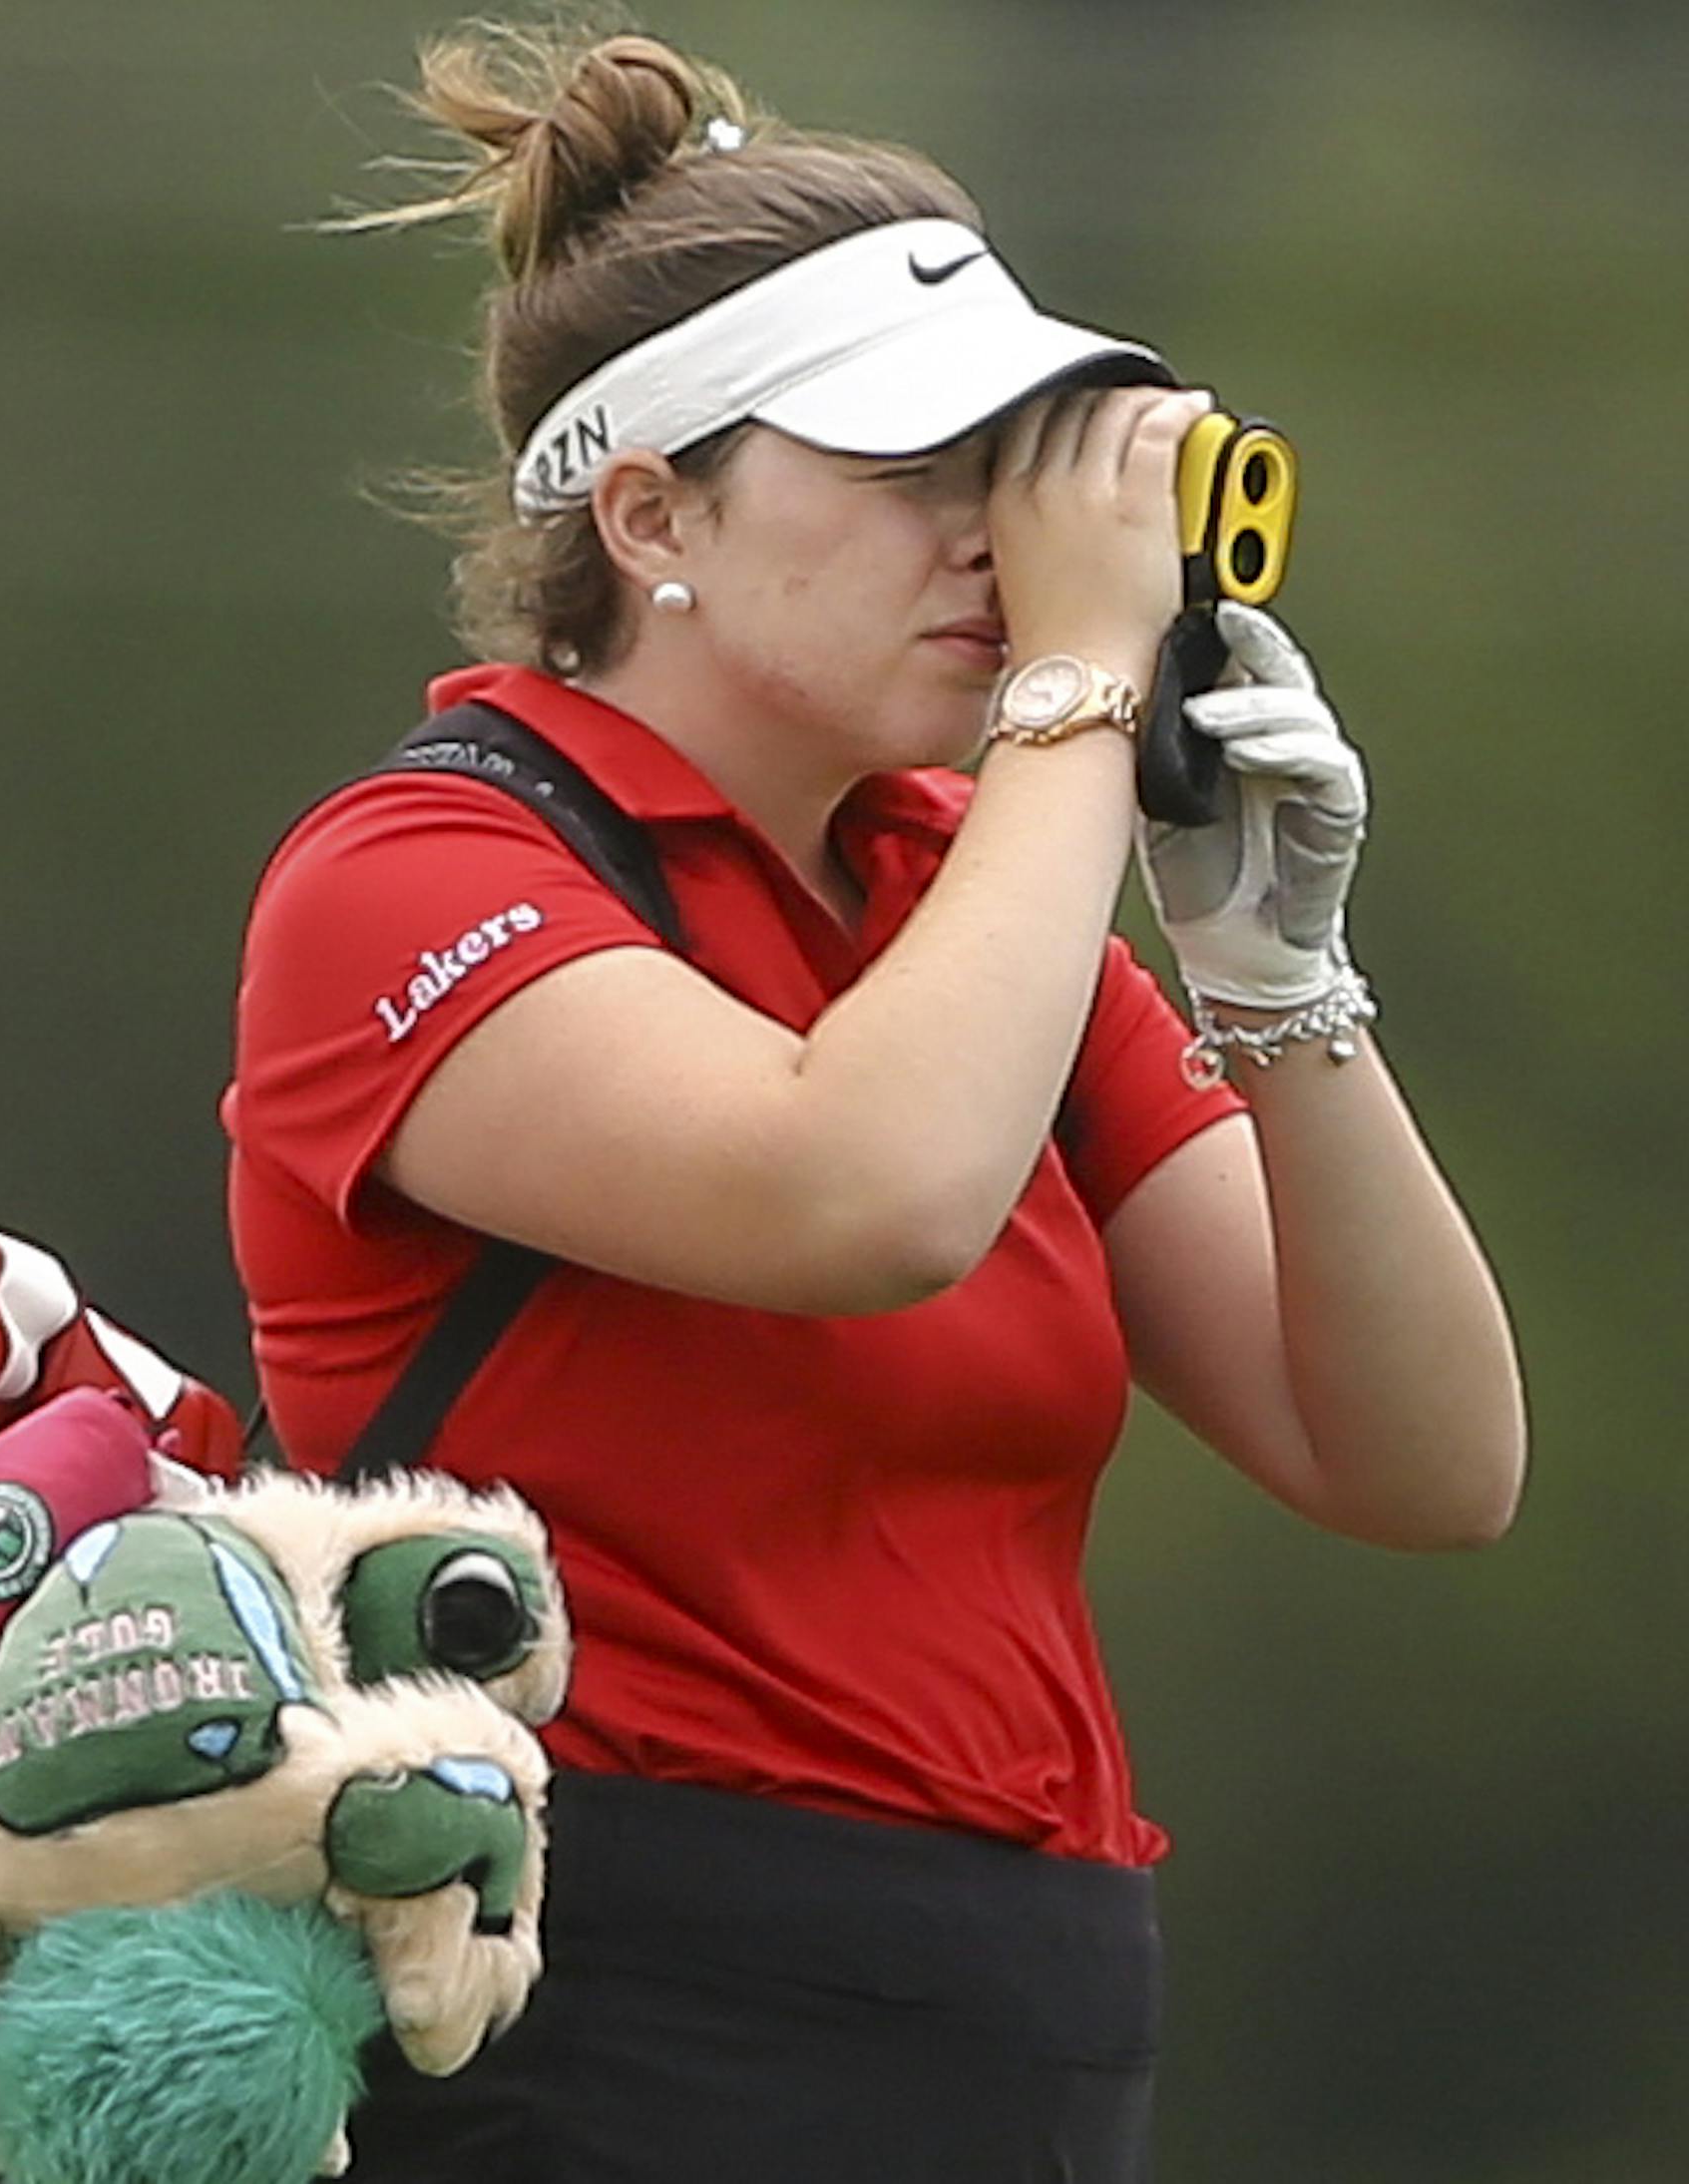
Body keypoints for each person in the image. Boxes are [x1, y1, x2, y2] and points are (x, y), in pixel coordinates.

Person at [222, 26, 1527, 2182]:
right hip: (591, 2015)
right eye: (912, 469)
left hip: (1017, 2017)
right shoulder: (416, 876)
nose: (991, 540)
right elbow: (872, 1196)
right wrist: (1081, 705)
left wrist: (1277, 982)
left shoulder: (958, 903)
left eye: (1010, 467)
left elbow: (1422, 1457)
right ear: (652, 515)